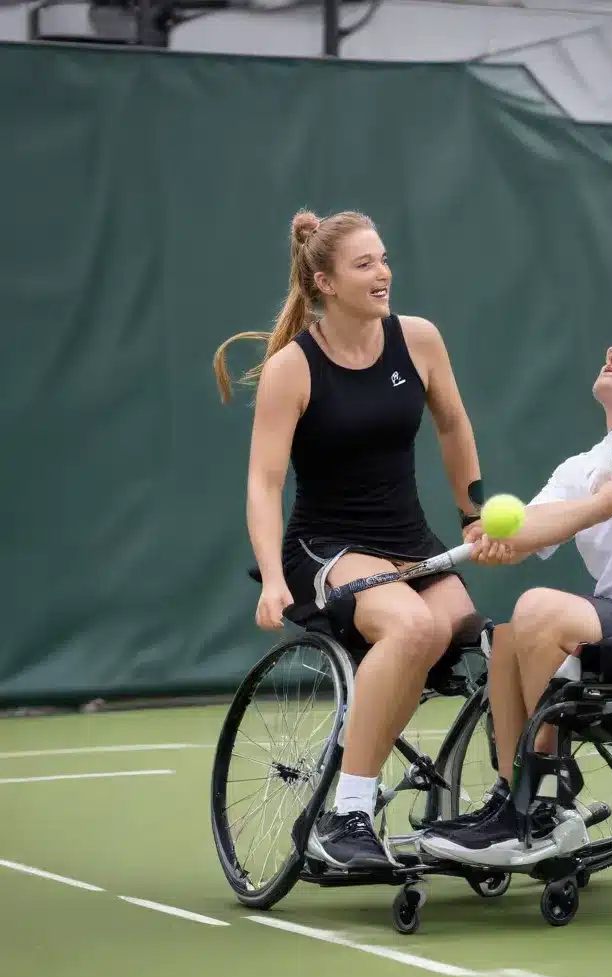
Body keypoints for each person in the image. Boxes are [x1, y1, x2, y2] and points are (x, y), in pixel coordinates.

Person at [420, 145, 612, 864]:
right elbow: (528, 532)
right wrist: (502, 539)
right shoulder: (582, 467)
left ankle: (550, 803)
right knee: (506, 634)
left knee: (537, 609)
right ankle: (515, 803)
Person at [213, 209, 487, 871]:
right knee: (415, 630)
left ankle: (514, 810)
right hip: (327, 546)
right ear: (324, 283)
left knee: (480, 638)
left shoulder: (419, 340)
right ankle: (348, 814)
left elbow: (453, 427)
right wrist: (273, 578)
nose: (384, 273)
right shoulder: (293, 369)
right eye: (365, 264)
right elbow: (263, 481)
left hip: (410, 542)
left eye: (383, 259)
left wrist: (472, 513)